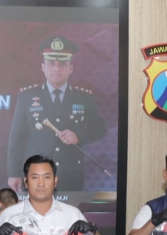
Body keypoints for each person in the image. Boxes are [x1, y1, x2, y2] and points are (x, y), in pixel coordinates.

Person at [7, 36, 107, 192]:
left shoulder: (84, 97)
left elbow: (100, 129)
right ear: (43, 67)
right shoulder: (27, 97)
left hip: (70, 174)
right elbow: (16, 138)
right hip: (37, 173)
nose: (57, 69)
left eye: (62, 64)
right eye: (51, 63)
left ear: (70, 68)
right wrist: (14, 173)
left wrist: (78, 136)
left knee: (69, 209)